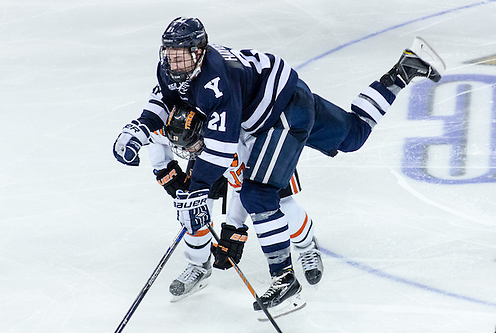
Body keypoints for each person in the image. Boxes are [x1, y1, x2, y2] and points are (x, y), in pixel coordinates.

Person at [113, 17, 444, 316]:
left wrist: (204, 198)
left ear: (199, 51)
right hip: (288, 93)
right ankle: (404, 71)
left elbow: (224, 152)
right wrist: (138, 129)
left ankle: (285, 282)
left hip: (282, 115)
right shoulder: (175, 70)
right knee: (353, 136)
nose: (173, 60)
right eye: (169, 52)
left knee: (260, 194)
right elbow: (163, 101)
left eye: (181, 53)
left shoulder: (217, 83)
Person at [146, 103, 323, 306]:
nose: (186, 151)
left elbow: (243, 192)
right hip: (210, 148)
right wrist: (164, 171)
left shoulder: (232, 144)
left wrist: (233, 228)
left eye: (190, 146)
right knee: (194, 207)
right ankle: (198, 264)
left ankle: (307, 245)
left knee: (280, 205)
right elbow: (154, 138)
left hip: (262, 143)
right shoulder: (182, 126)